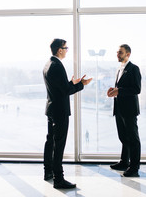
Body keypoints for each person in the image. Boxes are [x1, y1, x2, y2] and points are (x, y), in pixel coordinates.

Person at [43, 38, 92, 189]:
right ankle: (59, 179)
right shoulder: (57, 66)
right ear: (60, 50)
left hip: (51, 109)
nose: (67, 50)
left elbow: (60, 88)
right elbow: (65, 91)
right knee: (59, 144)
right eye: (66, 48)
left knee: (50, 141)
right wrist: (81, 85)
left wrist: (72, 83)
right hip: (60, 111)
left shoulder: (48, 64)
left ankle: (48, 172)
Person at [107, 44, 141, 177]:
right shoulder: (119, 69)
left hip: (129, 110)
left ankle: (134, 167)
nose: (117, 54)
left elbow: (136, 89)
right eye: (117, 52)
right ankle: (124, 162)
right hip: (119, 108)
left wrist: (119, 91)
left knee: (133, 139)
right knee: (123, 137)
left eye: (120, 52)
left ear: (128, 54)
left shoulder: (134, 69)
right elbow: (120, 88)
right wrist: (113, 90)